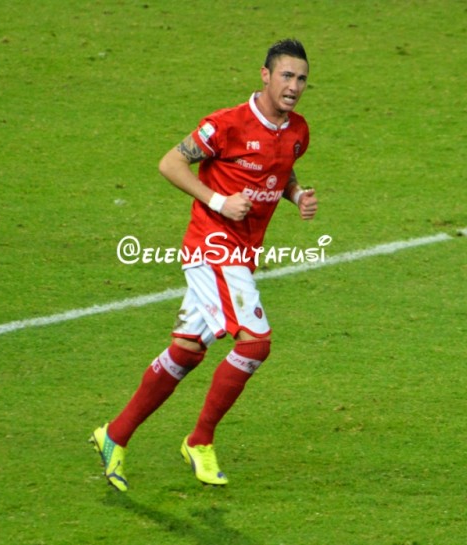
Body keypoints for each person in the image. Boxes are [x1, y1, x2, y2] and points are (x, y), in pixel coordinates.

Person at [90, 38, 318, 491]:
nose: (294, 86)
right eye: (286, 76)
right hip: (213, 246)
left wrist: (296, 195)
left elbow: (280, 167)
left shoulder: (297, 131)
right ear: (265, 75)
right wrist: (218, 201)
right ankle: (200, 441)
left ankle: (114, 435)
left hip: (243, 254)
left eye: (302, 79)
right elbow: (170, 163)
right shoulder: (225, 125)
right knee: (255, 343)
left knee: (187, 350)